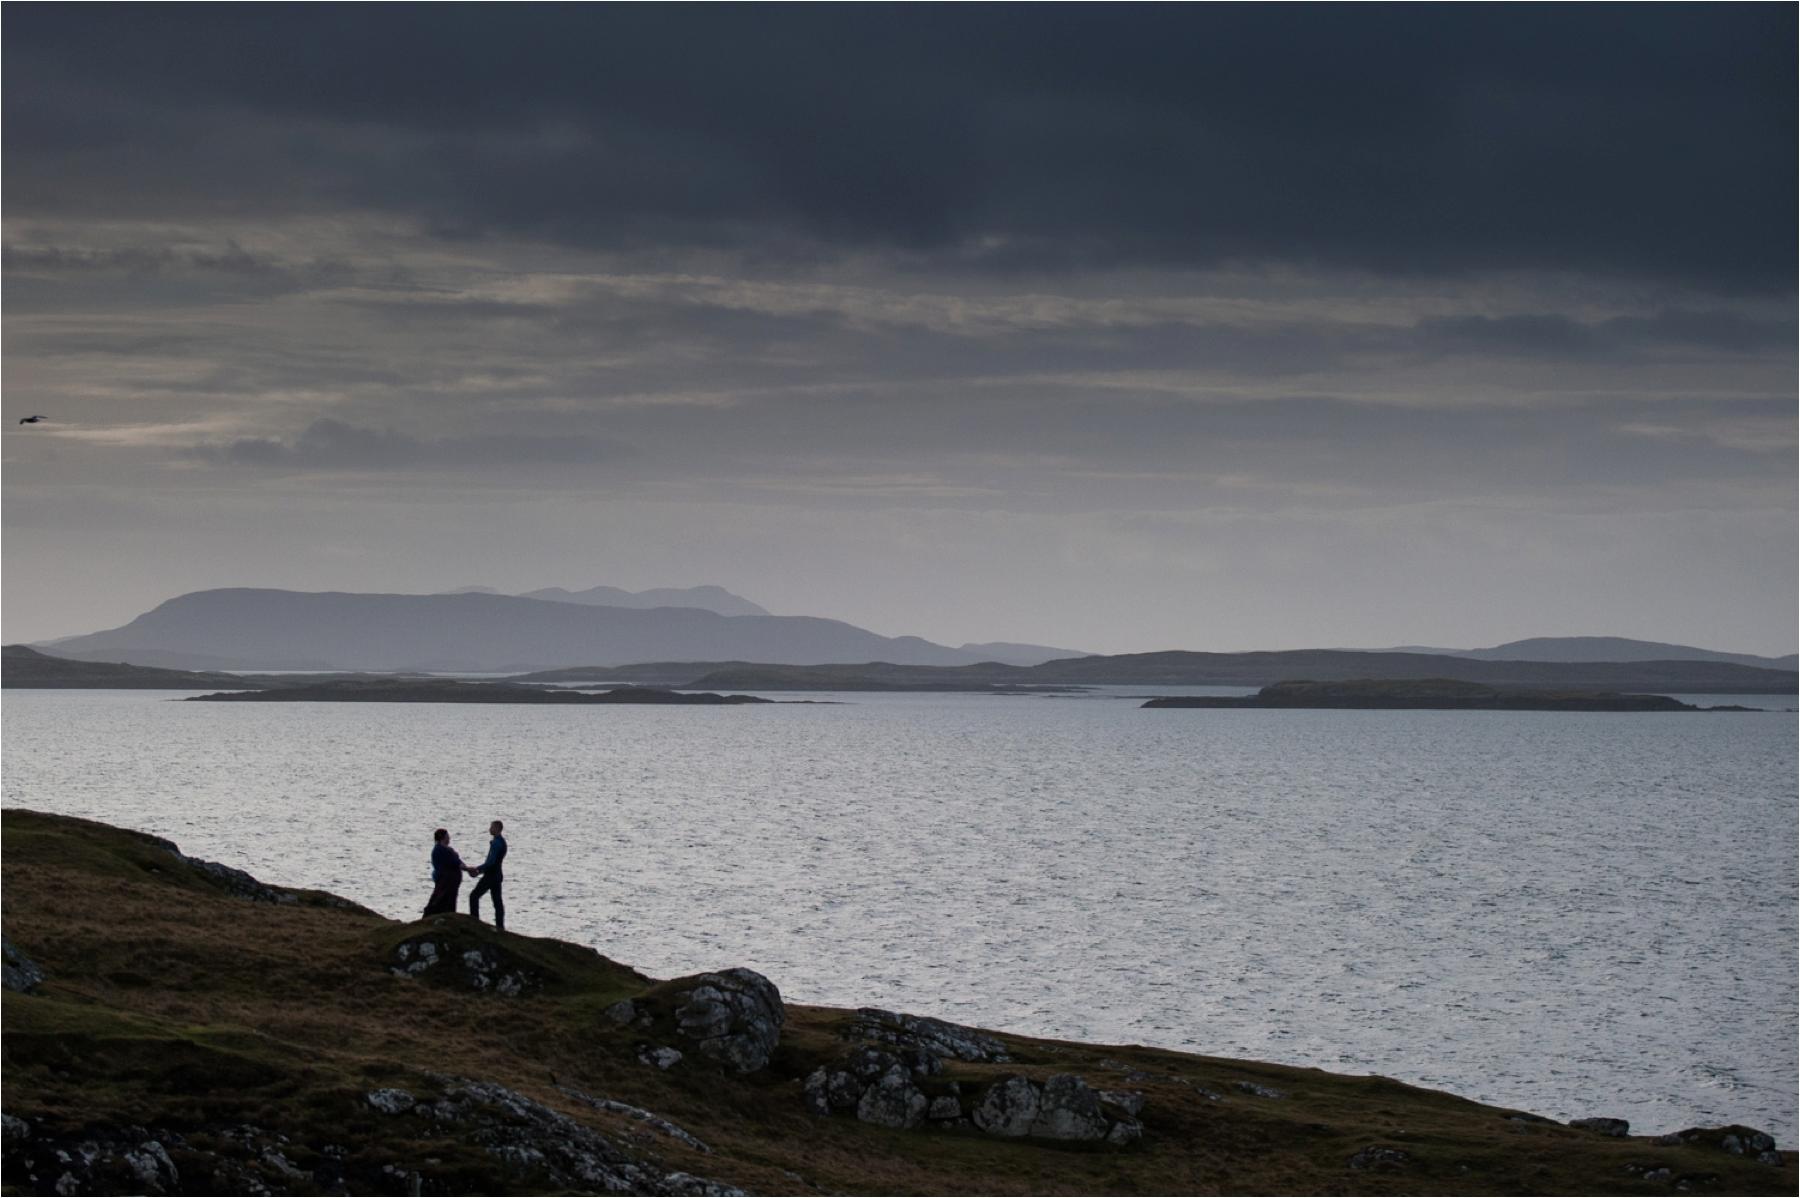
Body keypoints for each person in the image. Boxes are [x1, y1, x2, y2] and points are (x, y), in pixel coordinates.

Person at [467, 819, 507, 931]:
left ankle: (475, 922)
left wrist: (478, 870)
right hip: (497, 875)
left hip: (491, 876)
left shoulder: (496, 843)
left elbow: (491, 862)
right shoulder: (502, 842)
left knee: (474, 896)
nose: (490, 829)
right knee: (497, 901)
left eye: (492, 827)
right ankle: (500, 926)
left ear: (497, 829)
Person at [422, 828, 465, 917]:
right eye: (447, 836)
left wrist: (466, 867)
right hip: (445, 879)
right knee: (441, 899)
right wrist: (468, 869)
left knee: (447, 899)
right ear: (443, 837)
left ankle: (445, 916)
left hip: (449, 880)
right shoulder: (441, 850)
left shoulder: (447, 849)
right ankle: (433, 916)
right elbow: (455, 862)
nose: (449, 838)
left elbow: (457, 861)